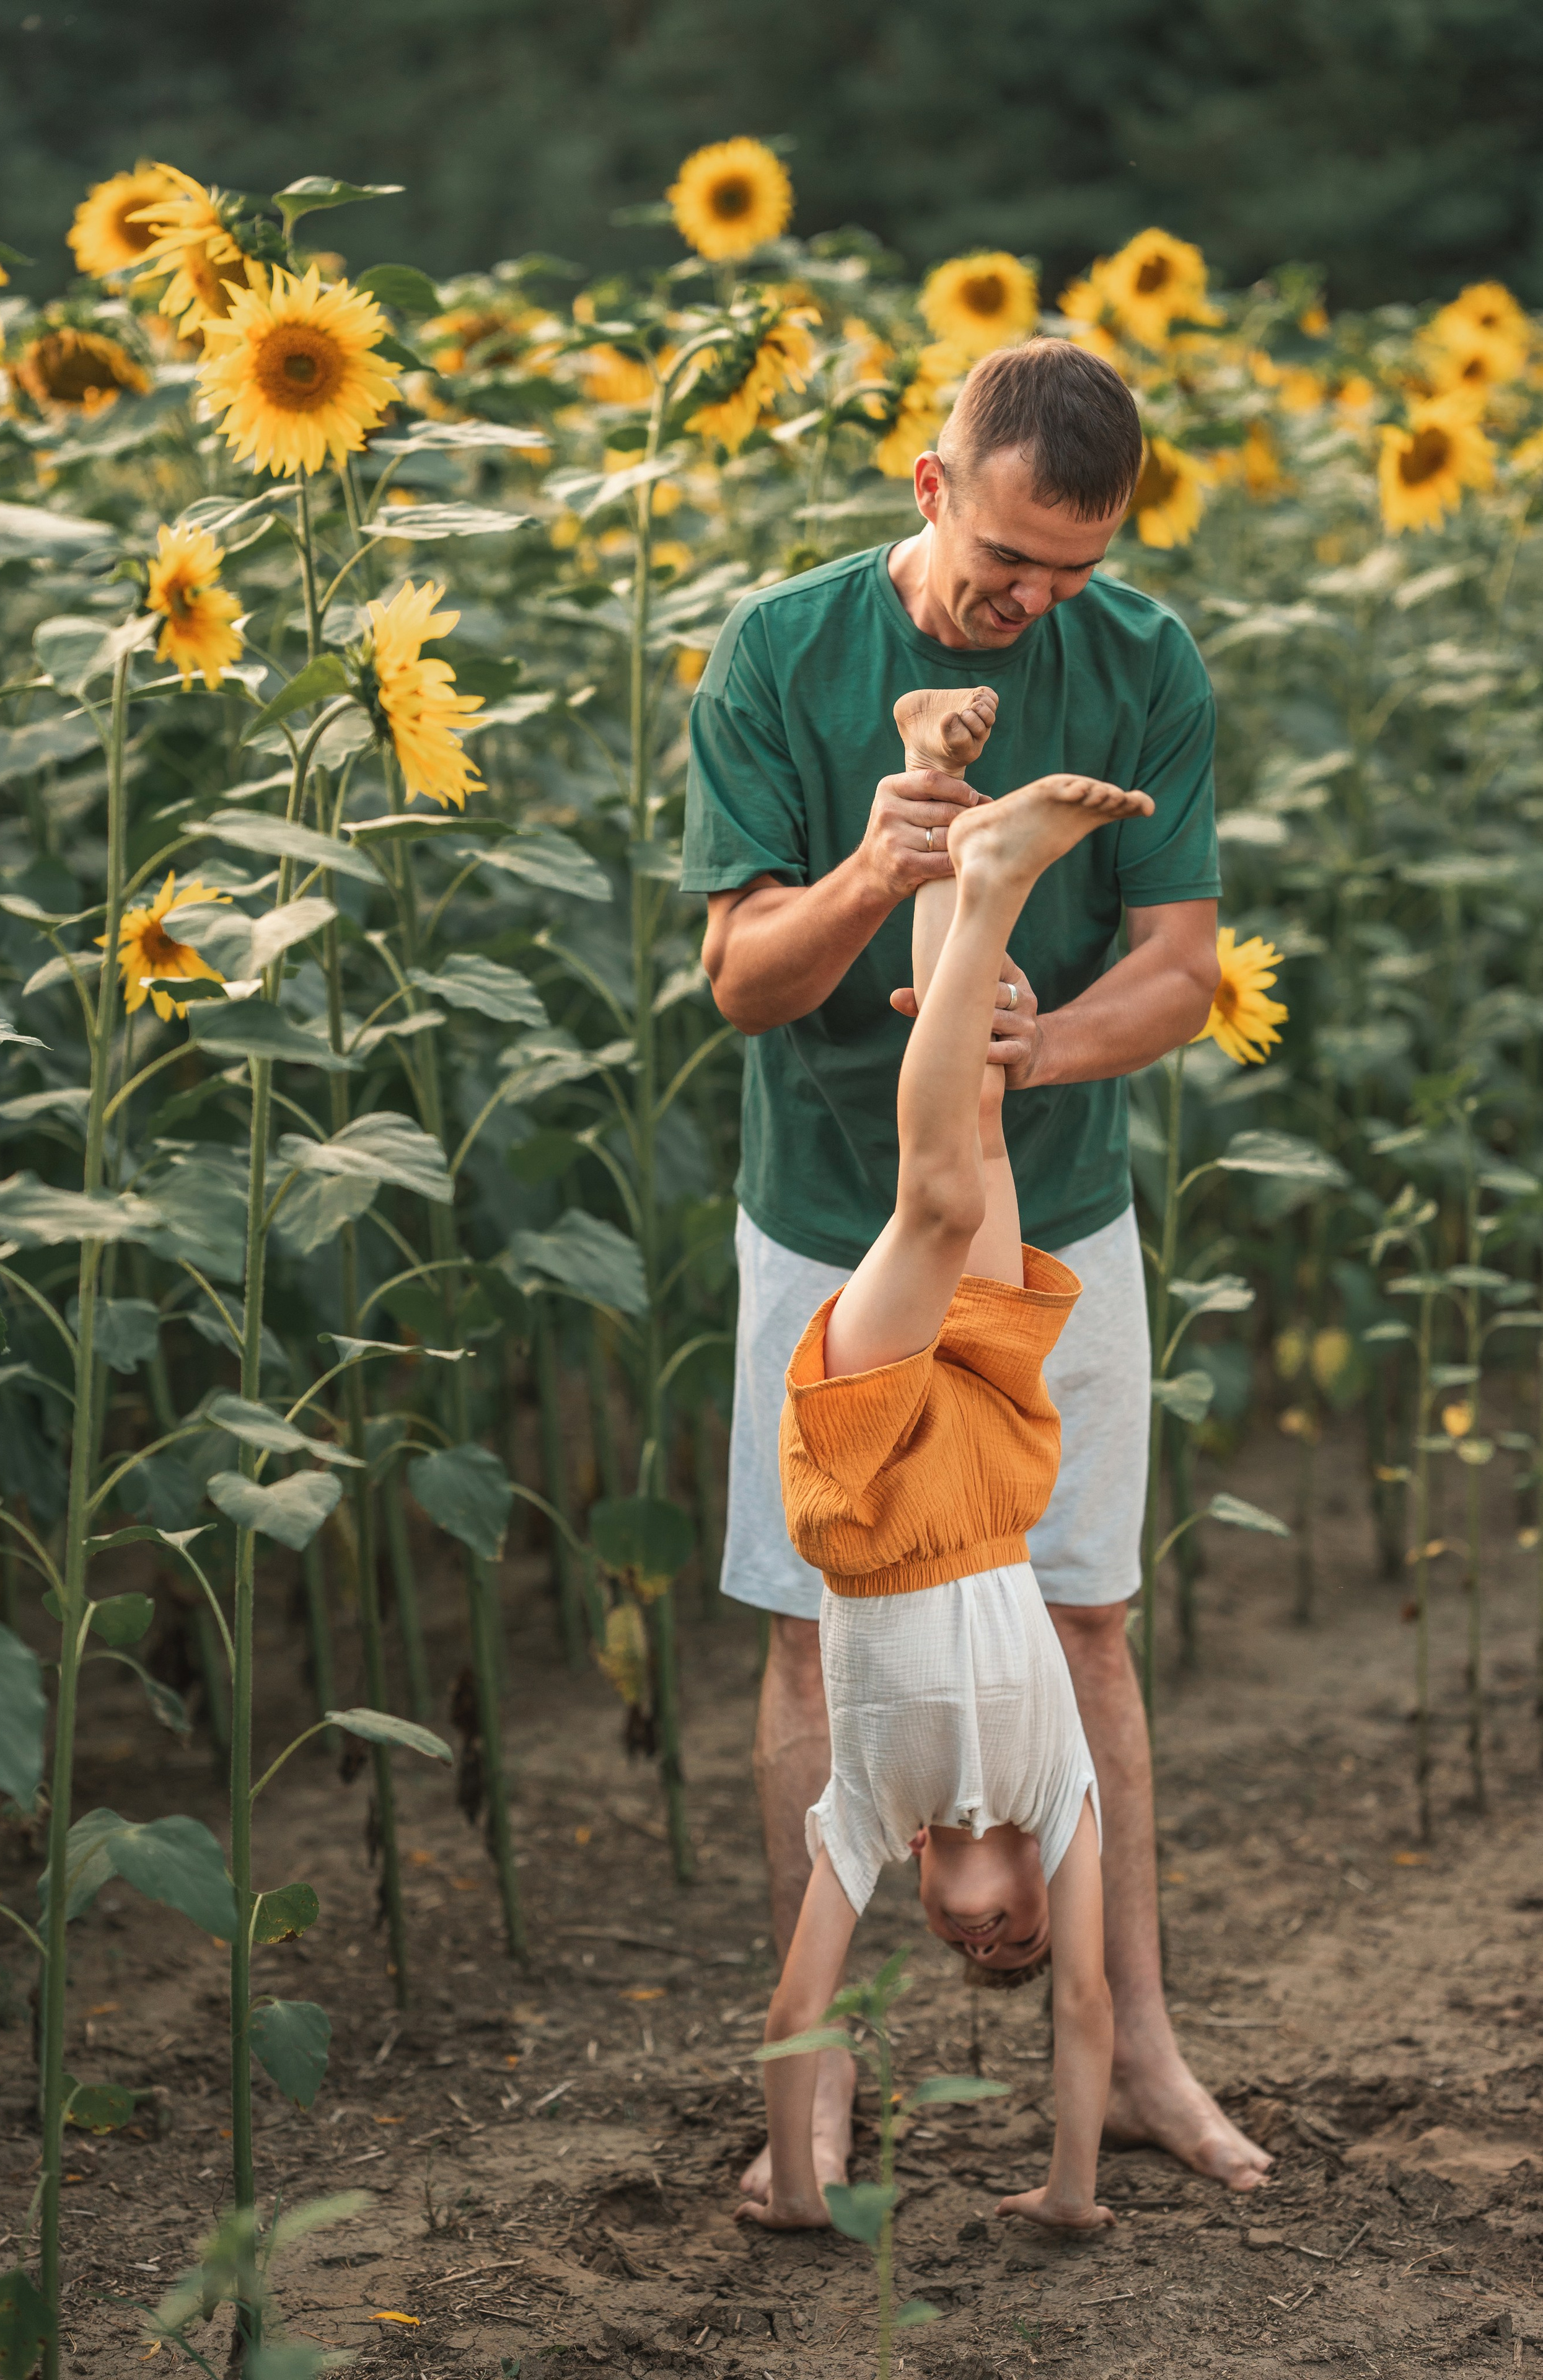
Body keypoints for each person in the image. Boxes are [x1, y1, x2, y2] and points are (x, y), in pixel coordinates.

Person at [683, 336, 1271, 2195]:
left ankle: (1139, 2053)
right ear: (931, 489)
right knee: (809, 1639)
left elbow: (1182, 969)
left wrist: (1038, 1041)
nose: (1038, 604)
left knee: (1088, 1619)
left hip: (1058, 1205)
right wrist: (869, 879)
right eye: (1014, 563)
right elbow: (740, 982)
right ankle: (820, 2078)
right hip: (822, 1217)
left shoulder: (1146, 661)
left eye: (1075, 575)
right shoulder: (783, 652)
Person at [739, 694, 1152, 2233]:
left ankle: (984, 880)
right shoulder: (1057, 1794)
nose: (1008, 1949)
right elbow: (1093, 2007)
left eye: (979, 1954)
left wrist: (795, 2185)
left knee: (925, 1205)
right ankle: (935, 792)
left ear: (924, 1891)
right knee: (969, 1120)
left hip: (868, 1493)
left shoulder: (867, 1814)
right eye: (1025, 1946)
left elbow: (799, 2007)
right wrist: (1067, 2189)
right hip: (986, 1470)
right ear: (1045, 1887)